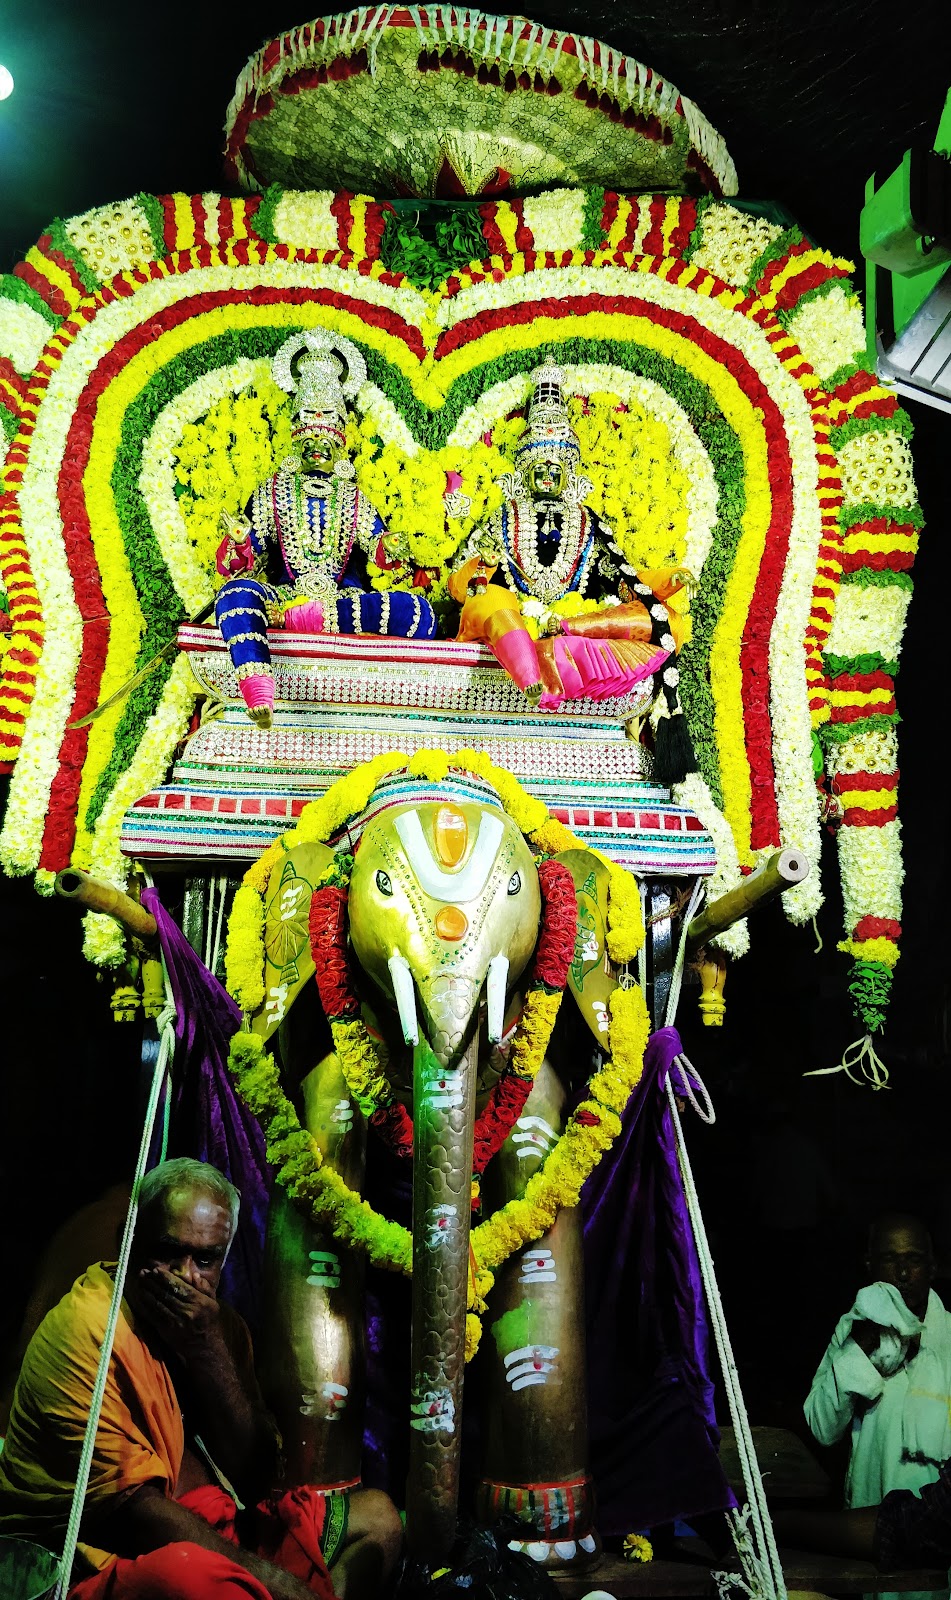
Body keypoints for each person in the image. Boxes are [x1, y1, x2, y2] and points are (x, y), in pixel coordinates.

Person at [0, 1157, 403, 1600]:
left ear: (223, 1260)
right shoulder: (88, 1328)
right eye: (168, 1252)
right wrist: (274, 1582)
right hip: (106, 1553)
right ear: (128, 1243)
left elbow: (257, 1477)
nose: (185, 1276)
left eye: (205, 1259)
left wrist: (207, 1350)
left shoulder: (219, 1328)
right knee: (190, 1578)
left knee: (379, 1520)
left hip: (210, 1529)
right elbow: (135, 1518)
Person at [447, 363, 693, 775]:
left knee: (662, 617)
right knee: (489, 600)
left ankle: (559, 640)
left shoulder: (588, 522)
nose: (546, 478)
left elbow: (625, 579)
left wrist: (669, 580)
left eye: (554, 471)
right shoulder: (503, 517)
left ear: (570, 476)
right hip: (513, 622)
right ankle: (529, 675)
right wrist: (481, 565)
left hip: (575, 621)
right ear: (524, 474)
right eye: (538, 471)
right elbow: (461, 583)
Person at [214, 327, 436, 729]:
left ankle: (308, 620)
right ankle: (258, 687)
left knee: (419, 613)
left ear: (340, 448)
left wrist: (393, 545)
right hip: (283, 597)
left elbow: (380, 553)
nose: (318, 447)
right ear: (297, 443)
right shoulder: (272, 491)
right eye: (309, 440)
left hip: (340, 603)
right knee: (234, 595)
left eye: (327, 441)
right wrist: (241, 539)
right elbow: (245, 561)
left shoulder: (353, 496)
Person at [805, 1213, 951, 1509]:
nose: (903, 1273)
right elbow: (823, 1429)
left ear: (933, 1267)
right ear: (869, 1266)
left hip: (939, 1529)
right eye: (889, 1259)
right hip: (869, 1513)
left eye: (914, 1260)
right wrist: (858, 1349)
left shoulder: (948, 1337)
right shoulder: (852, 1331)